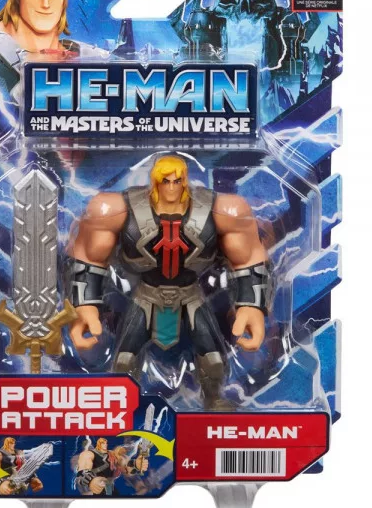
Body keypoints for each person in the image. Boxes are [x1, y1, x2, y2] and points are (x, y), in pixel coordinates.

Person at [67, 155, 270, 409]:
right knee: (125, 358)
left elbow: (248, 257)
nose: (172, 187)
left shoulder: (221, 211)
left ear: (185, 181)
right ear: (155, 182)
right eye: (166, 181)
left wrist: (251, 305)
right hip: (146, 294)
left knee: (213, 357)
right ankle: (122, 402)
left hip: (190, 295)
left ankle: (213, 398)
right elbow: (90, 256)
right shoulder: (116, 209)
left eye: (177, 181)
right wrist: (85, 305)